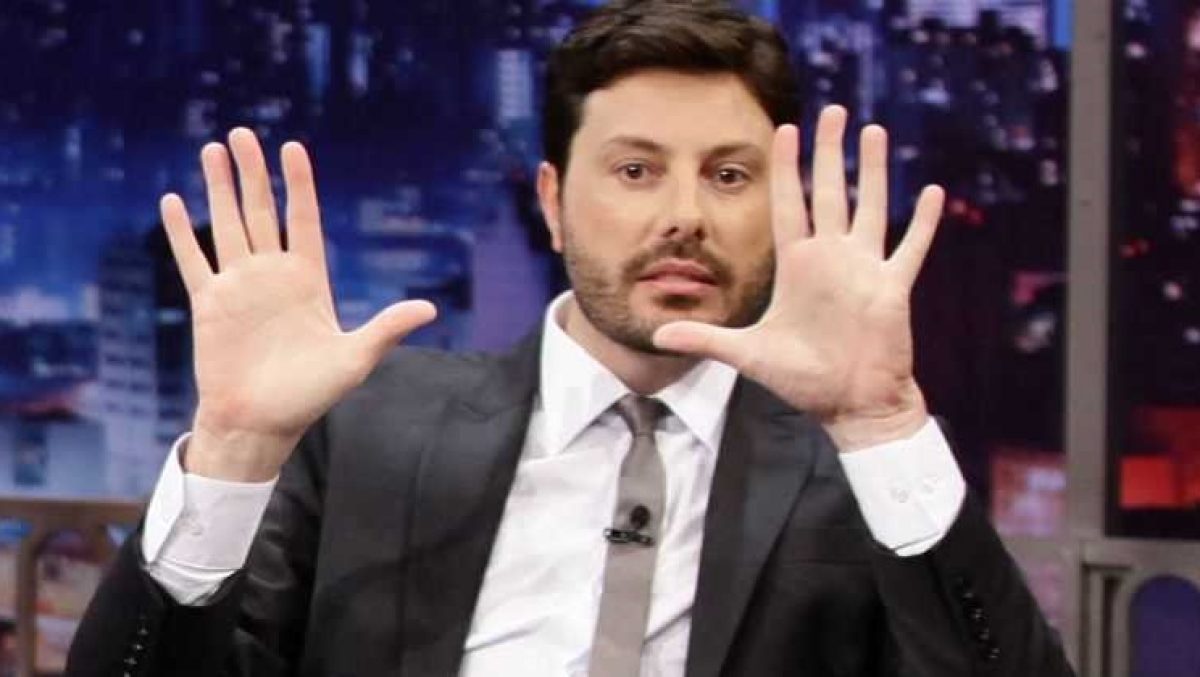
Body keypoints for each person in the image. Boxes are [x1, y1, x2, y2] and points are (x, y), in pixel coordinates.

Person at [66, 1, 1074, 675]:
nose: (685, 216)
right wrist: (233, 451)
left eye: (729, 176)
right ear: (551, 201)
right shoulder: (367, 426)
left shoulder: (854, 464)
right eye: (636, 171)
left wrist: (882, 424)